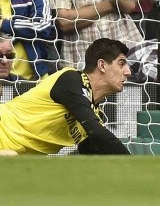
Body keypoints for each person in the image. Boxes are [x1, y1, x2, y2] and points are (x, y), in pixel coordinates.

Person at [0, 37, 131, 155]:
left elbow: (94, 150)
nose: (128, 72)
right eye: (121, 63)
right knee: (10, 157)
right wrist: (134, 166)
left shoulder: (94, 114)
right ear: (102, 65)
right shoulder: (71, 78)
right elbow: (97, 132)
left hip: (14, 157)